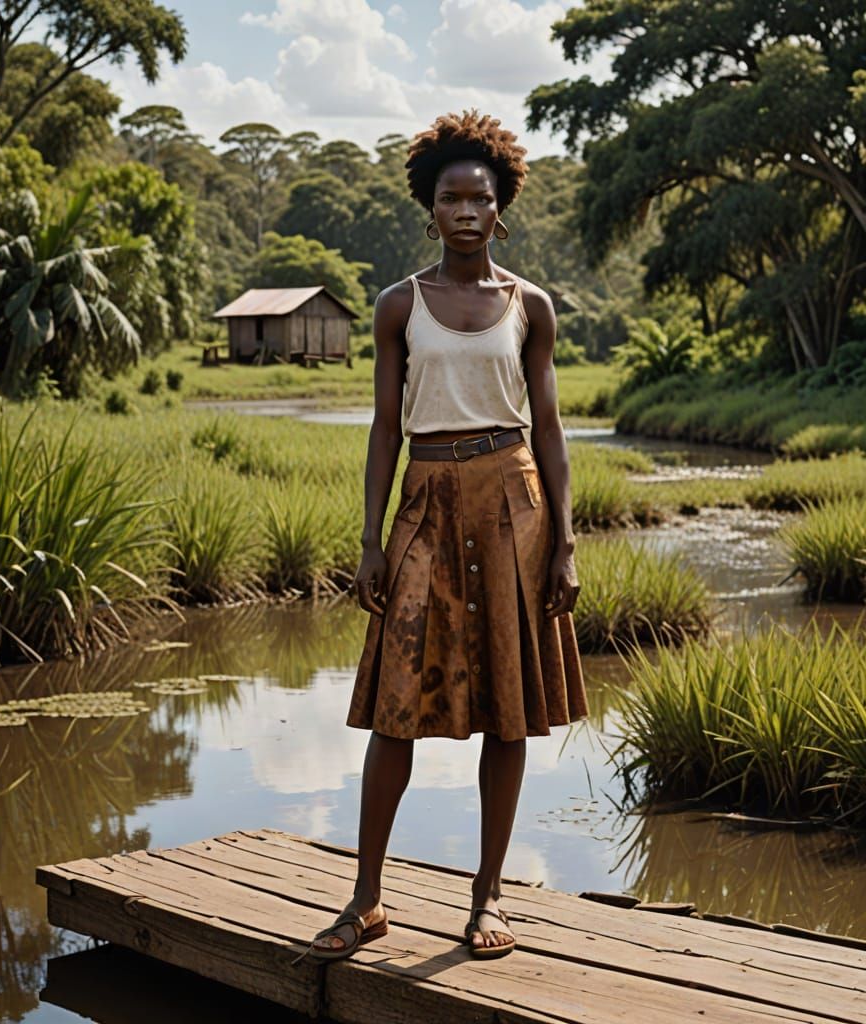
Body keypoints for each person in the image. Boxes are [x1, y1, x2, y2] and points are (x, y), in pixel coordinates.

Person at [299, 109, 588, 964]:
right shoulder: (400, 305)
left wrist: (566, 543)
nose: (466, 211)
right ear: (429, 209)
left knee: (508, 708)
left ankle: (489, 896)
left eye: (481, 198)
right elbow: (385, 427)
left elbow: (551, 430)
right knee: (397, 710)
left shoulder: (529, 305)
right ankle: (367, 899)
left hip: (513, 504)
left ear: (501, 209)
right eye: (450, 198)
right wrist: (369, 538)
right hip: (425, 498)